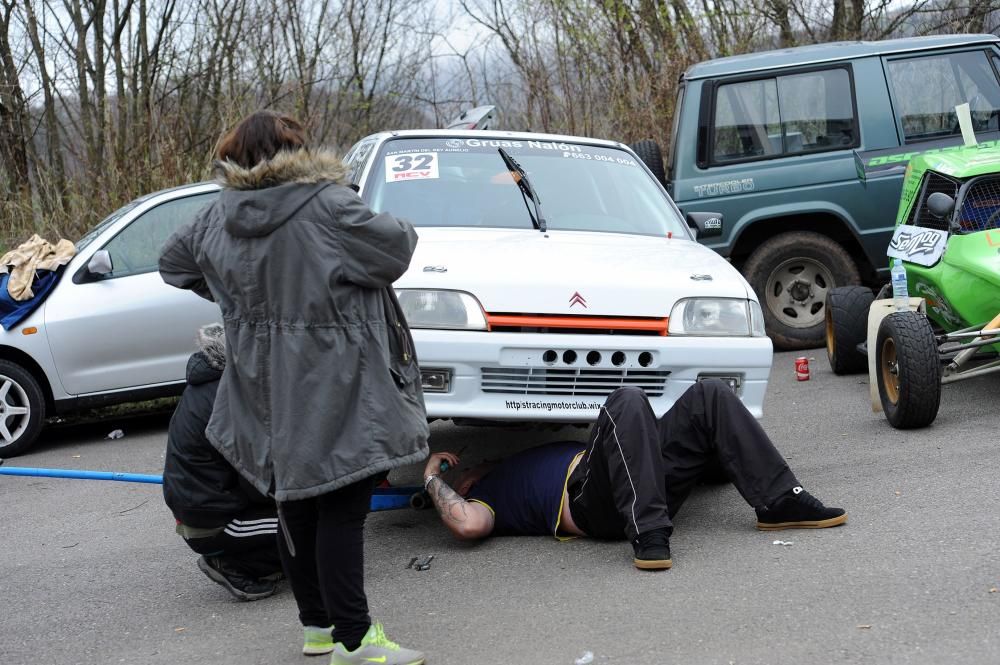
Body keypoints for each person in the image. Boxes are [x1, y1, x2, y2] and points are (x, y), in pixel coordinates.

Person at [159, 111, 429, 665]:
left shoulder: (215, 217)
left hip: (262, 386)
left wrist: (235, 298)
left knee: (297, 503)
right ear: (297, 152)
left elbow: (173, 264)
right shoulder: (328, 206)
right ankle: (354, 639)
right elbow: (395, 250)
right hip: (336, 379)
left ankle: (318, 628)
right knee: (343, 505)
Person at [423, 381, 847, 570]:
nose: (464, 466)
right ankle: (649, 534)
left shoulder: (502, 465)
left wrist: (482, 465)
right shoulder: (488, 501)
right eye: (458, 472)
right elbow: (467, 524)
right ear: (461, 488)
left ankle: (778, 501)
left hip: (636, 473)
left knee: (710, 394)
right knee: (626, 400)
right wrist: (431, 477)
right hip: (597, 504)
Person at [163, 323, 283, 602]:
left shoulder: (212, 384)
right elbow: (258, 477)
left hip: (204, 508)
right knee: (309, 525)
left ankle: (264, 559)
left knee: (304, 522)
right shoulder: (229, 397)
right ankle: (232, 565)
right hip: (214, 521)